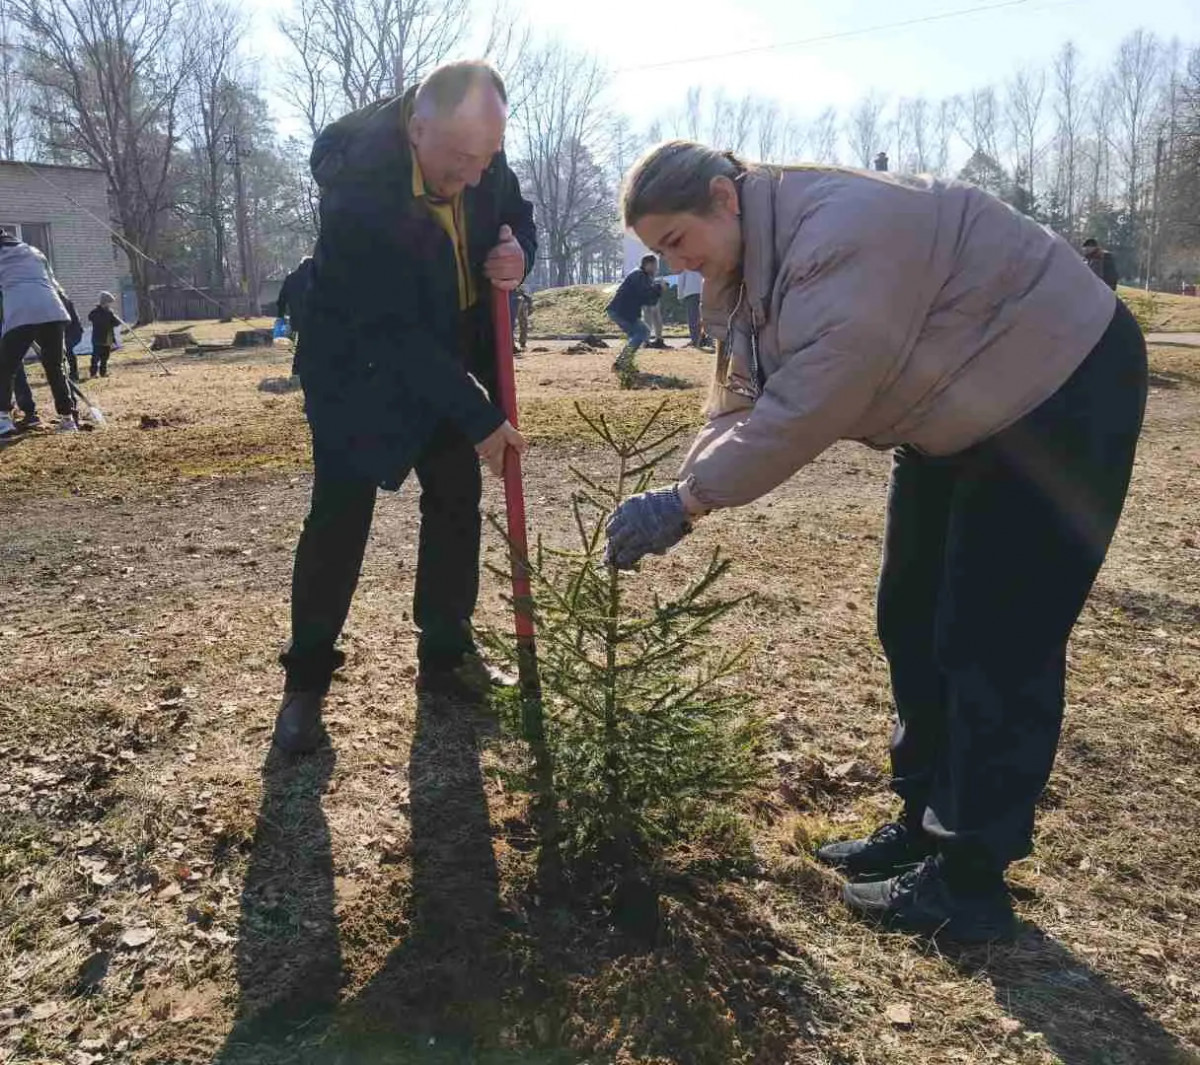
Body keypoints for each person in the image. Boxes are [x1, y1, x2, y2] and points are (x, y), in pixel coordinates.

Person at [605, 141, 1147, 943]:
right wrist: (678, 490)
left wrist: (687, 504)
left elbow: (810, 400)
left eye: (677, 242)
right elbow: (739, 400)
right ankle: (921, 819)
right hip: (950, 412)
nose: (675, 266)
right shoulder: (749, 263)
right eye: (658, 253)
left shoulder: (840, 229)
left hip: (1057, 388)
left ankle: (968, 880)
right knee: (911, 612)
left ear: (723, 197)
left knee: (993, 636)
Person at [273, 60, 536, 756]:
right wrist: (480, 416)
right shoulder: (357, 187)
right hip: (355, 365)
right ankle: (305, 682)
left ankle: (446, 657)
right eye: (460, 159)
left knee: (454, 501)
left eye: (486, 157)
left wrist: (519, 254)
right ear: (417, 128)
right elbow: (388, 329)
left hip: (446, 347)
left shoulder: (479, 152)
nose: (474, 175)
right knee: (340, 516)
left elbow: (515, 213)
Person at [0, 231, 78, 437]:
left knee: (6, 367)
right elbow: (54, 283)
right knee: (55, 366)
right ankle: (68, 419)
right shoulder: (35, 252)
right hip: (53, 309)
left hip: (20, 311)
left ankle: (3, 421)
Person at [606, 253, 663, 375]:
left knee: (636, 335)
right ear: (648, 265)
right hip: (621, 311)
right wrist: (658, 288)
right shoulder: (639, 275)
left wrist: (658, 290)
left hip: (623, 311)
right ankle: (621, 363)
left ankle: (625, 364)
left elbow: (650, 301)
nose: (656, 269)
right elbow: (645, 294)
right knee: (643, 332)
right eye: (655, 265)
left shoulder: (642, 275)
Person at [88, 292, 124, 378]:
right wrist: (108, 317)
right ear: (103, 302)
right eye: (108, 302)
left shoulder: (110, 312)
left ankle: (103, 373)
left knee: (105, 357)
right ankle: (93, 373)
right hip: (98, 338)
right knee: (95, 357)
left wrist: (116, 320)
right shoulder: (95, 312)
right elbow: (92, 318)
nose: (109, 305)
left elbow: (115, 323)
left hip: (108, 338)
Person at [677, 268, 706, 348]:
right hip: (703, 289)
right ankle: (706, 339)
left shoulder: (685, 262)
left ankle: (695, 340)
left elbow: (681, 279)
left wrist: (680, 295)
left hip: (690, 292)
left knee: (692, 318)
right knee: (704, 316)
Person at [511, 285, 532, 352]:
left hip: (520, 306)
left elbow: (530, 309)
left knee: (522, 324)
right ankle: (515, 343)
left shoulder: (525, 298)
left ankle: (521, 342)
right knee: (512, 325)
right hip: (515, 306)